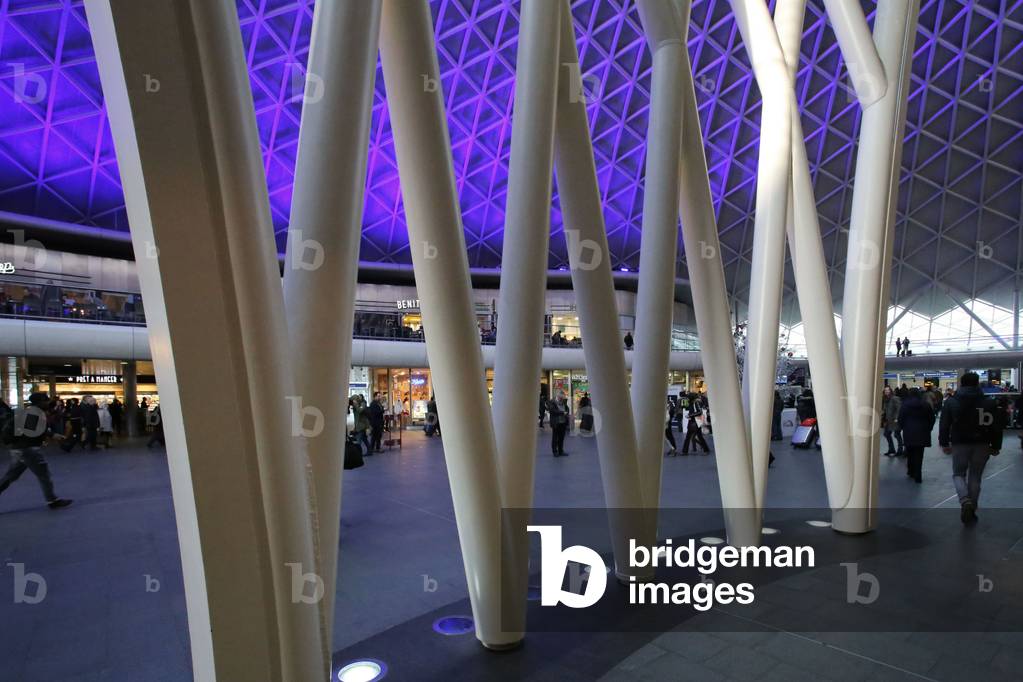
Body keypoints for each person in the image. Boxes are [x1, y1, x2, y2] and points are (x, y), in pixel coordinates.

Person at [939, 372, 1005, 524]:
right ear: (977, 384)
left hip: (959, 442)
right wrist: (996, 446)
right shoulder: (989, 402)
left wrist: (944, 443)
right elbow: (997, 426)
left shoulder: (952, 401)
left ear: (961, 384)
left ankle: (965, 501)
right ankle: (972, 509)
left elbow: (944, 424)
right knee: (975, 476)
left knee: (958, 474)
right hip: (982, 443)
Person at [0, 393, 73, 509]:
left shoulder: (25, 411)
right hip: (28, 449)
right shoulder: (35, 413)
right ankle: (52, 500)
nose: (48, 403)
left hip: (18, 449)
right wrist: (52, 435)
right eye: (45, 401)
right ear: (39, 402)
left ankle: (52, 500)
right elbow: (33, 430)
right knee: (44, 475)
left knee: (11, 476)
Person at [899, 388, 934, 483]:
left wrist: (902, 427)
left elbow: (901, 418)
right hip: (922, 432)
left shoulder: (905, 405)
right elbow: (932, 418)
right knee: (919, 454)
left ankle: (911, 471)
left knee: (910, 452)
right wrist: (928, 428)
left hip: (908, 432)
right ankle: (918, 474)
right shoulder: (926, 405)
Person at [881, 386, 903, 457]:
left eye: (888, 390)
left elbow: (899, 408)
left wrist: (897, 418)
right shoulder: (885, 399)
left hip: (894, 420)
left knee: (897, 435)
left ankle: (900, 450)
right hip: (889, 420)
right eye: (885, 390)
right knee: (886, 434)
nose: (886, 391)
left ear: (891, 391)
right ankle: (891, 449)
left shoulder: (894, 398)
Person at [548, 391, 569, 457]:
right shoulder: (552, 402)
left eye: (562, 398)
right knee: (555, 438)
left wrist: (567, 412)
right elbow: (552, 411)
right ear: (558, 396)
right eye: (561, 398)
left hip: (563, 422)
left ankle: (561, 451)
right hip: (556, 423)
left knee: (561, 438)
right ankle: (555, 451)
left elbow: (567, 408)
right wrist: (562, 412)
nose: (562, 399)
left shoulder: (564, 401)